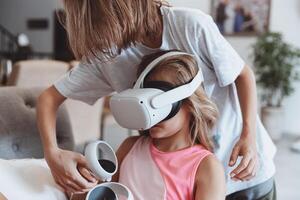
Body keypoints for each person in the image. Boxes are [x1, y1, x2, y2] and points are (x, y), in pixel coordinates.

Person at [37, 1, 277, 199]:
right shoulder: (106, 58)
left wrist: (249, 136)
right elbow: (49, 98)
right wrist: (53, 153)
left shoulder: (190, 26)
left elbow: (243, 75)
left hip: (243, 171)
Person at [111, 50, 225, 199]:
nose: (150, 114)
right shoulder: (129, 148)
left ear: (189, 103)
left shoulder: (207, 167)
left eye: (157, 105)